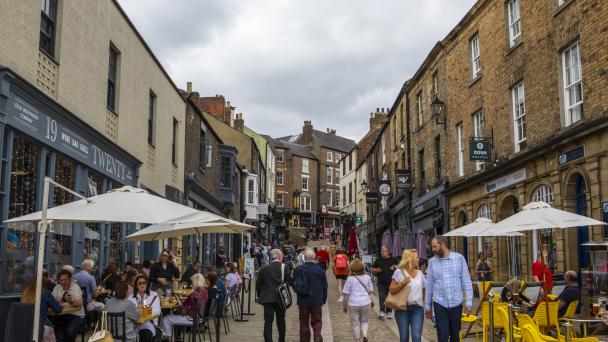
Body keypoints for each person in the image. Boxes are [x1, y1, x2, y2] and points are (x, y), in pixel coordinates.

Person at [424, 236, 473, 342]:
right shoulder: (432, 262)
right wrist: (427, 306)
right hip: (439, 303)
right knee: (442, 336)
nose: (433, 249)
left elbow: (466, 281)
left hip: (456, 303)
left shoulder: (459, 258)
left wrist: (469, 303)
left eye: (435, 247)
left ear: (443, 245)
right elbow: (429, 285)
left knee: (455, 336)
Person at [256, 248, 292, 342]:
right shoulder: (285, 267)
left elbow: (258, 284)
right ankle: (281, 340)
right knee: (281, 321)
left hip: (267, 298)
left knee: (268, 322)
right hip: (281, 298)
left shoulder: (264, 269)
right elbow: (289, 282)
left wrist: (260, 295)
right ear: (280, 257)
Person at [391, 249, 426, 342]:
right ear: (410, 259)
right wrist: (402, 283)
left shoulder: (420, 273)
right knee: (404, 338)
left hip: (417, 308)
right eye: (417, 257)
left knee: (416, 337)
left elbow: (424, 289)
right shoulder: (399, 272)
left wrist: (423, 301)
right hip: (402, 308)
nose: (419, 259)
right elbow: (391, 290)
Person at [162, 273, 209, 342]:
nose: (191, 285)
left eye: (192, 283)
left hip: (191, 318)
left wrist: (179, 302)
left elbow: (183, 311)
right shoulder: (204, 291)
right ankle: (175, 337)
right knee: (173, 316)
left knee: (166, 319)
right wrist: (184, 301)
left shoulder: (194, 294)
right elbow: (192, 304)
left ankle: (170, 340)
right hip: (199, 317)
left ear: (195, 283)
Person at [295, 248, 328, 342]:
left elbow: (295, 284)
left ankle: (304, 340)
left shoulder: (298, 269)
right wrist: (323, 299)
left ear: (304, 258)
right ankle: (317, 337)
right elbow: (325, 286)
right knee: (317, 321)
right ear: (314, 258)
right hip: (316, 300)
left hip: (303, 300)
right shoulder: (319, 270)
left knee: (304, 323)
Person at [21, 274, 62, 342]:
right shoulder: (45, 293)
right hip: (42, 326)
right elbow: (57, 310)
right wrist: (59, 304)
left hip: (26, 326)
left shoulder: (25, 293)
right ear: (44, 284)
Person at [342, 258, 373, 342]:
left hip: (353, 303)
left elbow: (346, 294)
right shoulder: (367, 277)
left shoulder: (350, 279)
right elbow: (370, 290)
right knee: (364, 321)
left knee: (355, 323)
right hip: (365, 302)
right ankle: (364, 335)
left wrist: (344, 305)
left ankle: (357, 340)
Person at [51, 269, 84, 342]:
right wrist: (55, 300)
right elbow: (51, 300)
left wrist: (71, 301)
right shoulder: (57, 287)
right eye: (61, 280)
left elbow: (79, 304)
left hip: (76, 315)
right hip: (61, 314)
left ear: (70, 279)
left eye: (65, 280)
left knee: (69, 332)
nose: (63, 282)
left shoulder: (75, 287)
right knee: (57, 331)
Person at [130, 275, 161, 342]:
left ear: (147, 284)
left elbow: (157, 311)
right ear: (136, 285)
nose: (142, 284)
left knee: (145, 334)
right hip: (134, 325)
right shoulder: (131, 296)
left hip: (148, 324)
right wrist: (146, 309)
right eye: (140, 283)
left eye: (144, 282)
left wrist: (141, 311)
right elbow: (130, 310)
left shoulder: (153, 295)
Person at [372, 245, 399, 320]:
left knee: (389, 298)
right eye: (381, 251)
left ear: (388, 252)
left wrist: (394, 268)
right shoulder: (378, 260)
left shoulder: (394, 259)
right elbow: (373, 268)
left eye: (383, 251)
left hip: (391, 283)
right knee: (381, 297)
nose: (381, 252)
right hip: (381, 282)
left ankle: (389, 312)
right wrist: (376, 270)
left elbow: (399, 267)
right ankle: (382, 312)